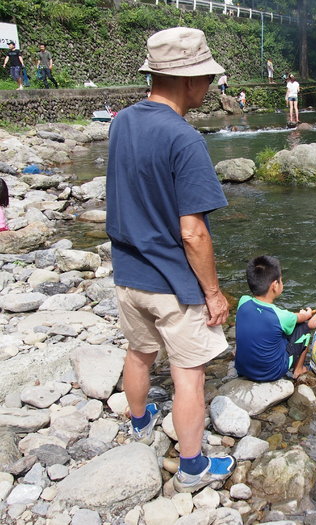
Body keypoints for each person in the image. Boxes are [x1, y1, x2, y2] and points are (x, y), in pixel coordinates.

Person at [105, 27, 235, 494]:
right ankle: (193, 466)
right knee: (188, 377)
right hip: (173, 284)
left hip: (127, 273)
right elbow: (192, 232)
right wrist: (214, 293)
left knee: (139, 353)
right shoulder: (185, 140)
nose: (210, 86)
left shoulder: (121, 121)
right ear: (189, 80)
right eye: (207, 77)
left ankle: (139, 423)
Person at [235, 255, 316, 381]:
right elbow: (300, 317)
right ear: (275, 285)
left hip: (242, 368)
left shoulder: (243, 301)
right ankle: (298, 369)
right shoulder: (282, 316)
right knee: (305, 328)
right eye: (281, 280)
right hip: (271, 373)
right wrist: (312, 314)